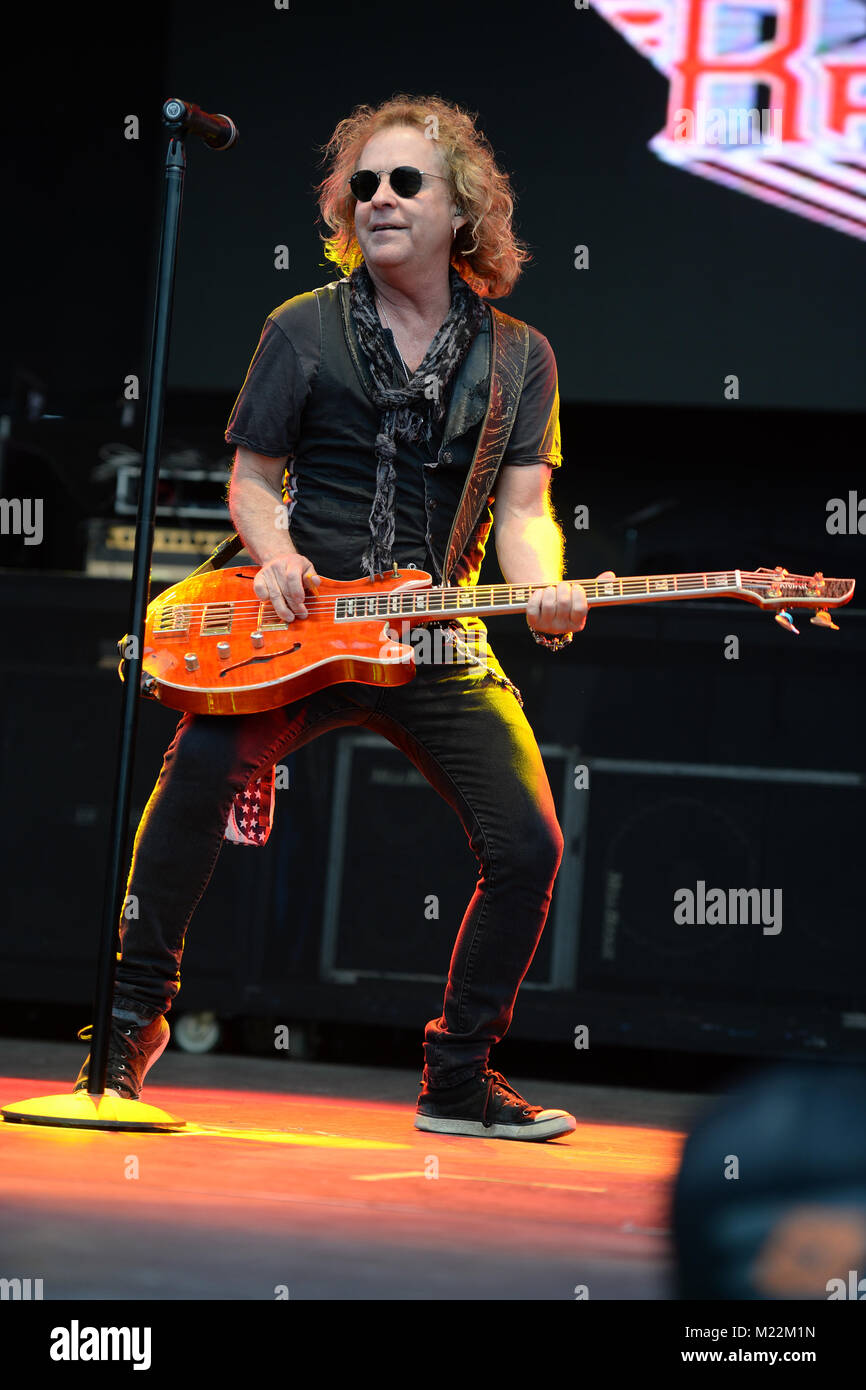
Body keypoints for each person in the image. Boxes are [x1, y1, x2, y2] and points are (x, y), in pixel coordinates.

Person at [74, 93, 608, 1141]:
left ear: (463, 209)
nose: (378, 198)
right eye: (362, 183)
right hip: (297, 626)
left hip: (429, 632)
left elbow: (524, 513)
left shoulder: (520, 357)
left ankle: (456, 1078)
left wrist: (544, 586)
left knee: (530, 846)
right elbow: (253, 480)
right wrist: (273, 557)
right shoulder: (300, 328)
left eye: (403, 181)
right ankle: (124, 1037)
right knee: (190, 789)